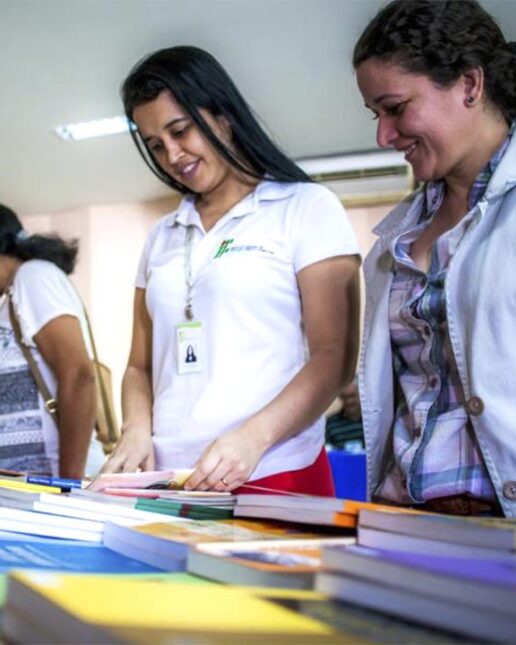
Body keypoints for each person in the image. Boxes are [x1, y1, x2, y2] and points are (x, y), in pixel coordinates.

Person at [353, 0, 516, 527]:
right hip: (408, 524)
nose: (384, 136)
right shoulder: (393, 239)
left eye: (395, 108)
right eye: (375, 116)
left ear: (470, 85)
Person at [99, 46, 362, 495]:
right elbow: (139, 367)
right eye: (155, 145)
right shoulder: (162, 236)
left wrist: (253, 437)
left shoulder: (306, 208)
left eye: (181, 131)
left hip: (274, 468)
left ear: (222, 114)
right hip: (172, 480)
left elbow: (333, 355)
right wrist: (136, 430)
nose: (172, 155)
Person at [0, 201, 105, 479]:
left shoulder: (34, 277)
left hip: (52, 485)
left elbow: (79, 376)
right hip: (29, 490)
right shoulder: (20, 288)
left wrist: (67, 485)